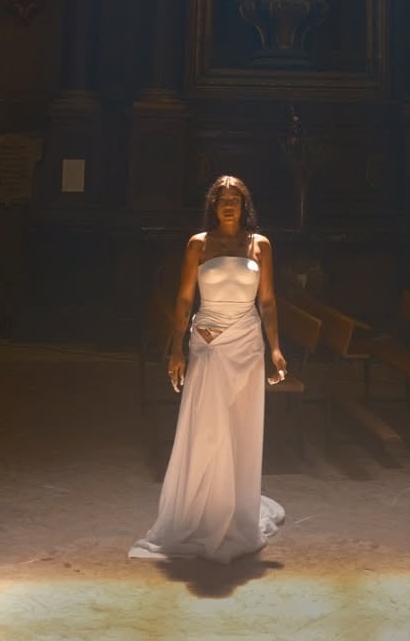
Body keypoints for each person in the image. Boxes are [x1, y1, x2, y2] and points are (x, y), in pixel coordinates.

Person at [129, 176, 287, 563]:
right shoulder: (198, 244)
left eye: (235, 199)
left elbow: (267, 301)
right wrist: (176, 348)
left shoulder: (260, 245)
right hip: (209, 341)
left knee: (239, 424)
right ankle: (199, 508)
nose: (228, 205)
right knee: (207, 425)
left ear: (244, 205)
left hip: (247, 343)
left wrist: (276, 348)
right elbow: (184, 298)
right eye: (222, 200)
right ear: (213, 206)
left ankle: (235, 507)